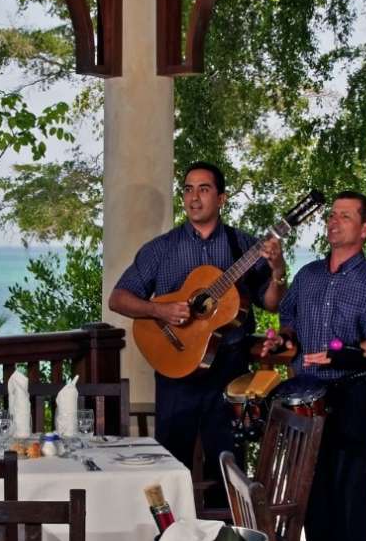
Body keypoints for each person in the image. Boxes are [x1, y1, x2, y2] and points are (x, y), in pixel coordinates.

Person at [109, 162, 286, 495]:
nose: (194, 197)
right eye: (188, 189)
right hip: (176, 373)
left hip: (229, 372)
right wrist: (158, 309)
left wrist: (277, 268)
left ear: (221, 198)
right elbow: (118, 298)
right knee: (171, 468)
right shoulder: (161, 249)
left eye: (203, 189)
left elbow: (272, 302)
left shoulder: (244, 248)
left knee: (228, 469)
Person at [263, 191, 366, 541]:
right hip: (307, 397)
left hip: (354, 393)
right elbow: (288, 322)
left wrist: (355, 350)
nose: (333, 221)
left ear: (365, 228)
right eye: (331, 215)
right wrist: (280, 340)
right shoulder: (307, 276)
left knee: (352, 496)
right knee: (314, 493)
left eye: (344, 216)